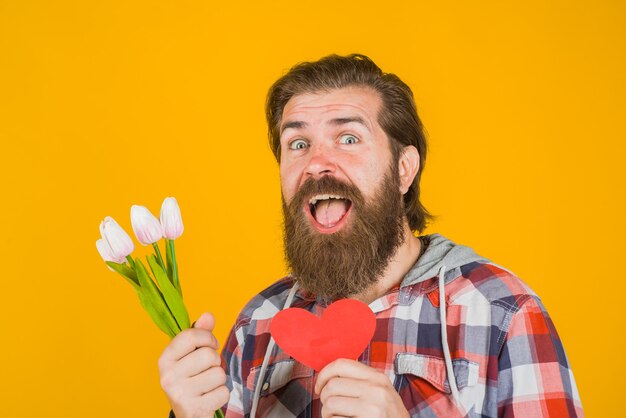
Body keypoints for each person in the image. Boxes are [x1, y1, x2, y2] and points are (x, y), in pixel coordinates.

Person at [158, 54, 584, 417]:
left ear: (403, 169)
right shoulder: (259, 324)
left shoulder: (502, 313)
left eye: (348, 138)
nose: (317, 163)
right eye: (298, 144)